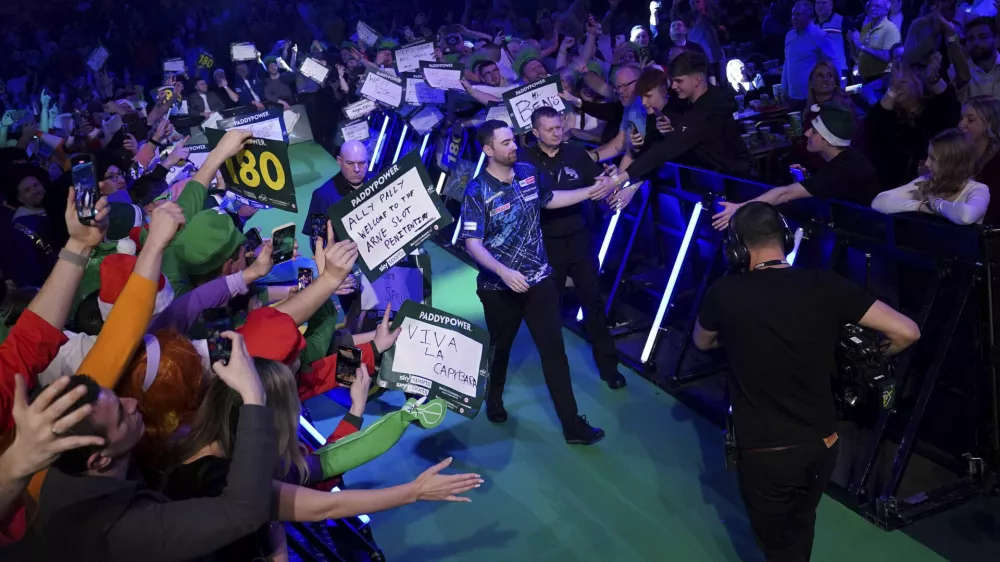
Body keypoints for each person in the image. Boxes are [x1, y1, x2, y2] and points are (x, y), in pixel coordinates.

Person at [693, 202, 920, 562]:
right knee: (802, 521)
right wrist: (854, 360)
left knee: (776, 543)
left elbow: (701, 342)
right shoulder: (825, 285)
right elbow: (907, 331)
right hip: (822, 441)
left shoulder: (723, 293)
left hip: (763, 451)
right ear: (785, 239)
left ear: (737, 248)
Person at [5, 333, 278, 561]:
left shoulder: (66, 455)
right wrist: (254, 397)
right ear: (99, 461)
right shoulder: (121, 533)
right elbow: (243, 512)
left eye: (118, 398)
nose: (132, 403)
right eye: (121, 417)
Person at [458, 120, 611, 444]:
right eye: (505, 143)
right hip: (499, 288)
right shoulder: (477, 191)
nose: (513, 147)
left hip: (540, 280)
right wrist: (503, 272)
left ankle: (572, 425)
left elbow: (549, 199)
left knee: (554, 351)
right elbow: (473, 243)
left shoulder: (528, 171)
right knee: (501, 349)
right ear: (488, 150)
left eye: (513, 141)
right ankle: (494, 399)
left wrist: (590, 192)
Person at [518, 107, 627, 390]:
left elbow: (600, 186)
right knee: (548, 309)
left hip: (580, 239)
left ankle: (609, 368)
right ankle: (556, 373)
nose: (558, 133)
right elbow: (544, 200)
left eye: (559, 127)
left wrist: (610, 183)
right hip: (546, 242)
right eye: (550, 129)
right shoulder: (525, 160)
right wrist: (594, 191)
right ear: (535, 132)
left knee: (593, 302)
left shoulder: (577, 153)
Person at [599, 51, 751, 203]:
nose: (674, 86)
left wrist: (621, 178)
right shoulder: (694, 103)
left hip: (736, 184)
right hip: (717, 183)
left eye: (679, 81)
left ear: (696, 80)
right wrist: (672, 130)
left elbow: (666, 150)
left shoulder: (707, 110)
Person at [712, 102, 881, 229]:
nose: (807, 133)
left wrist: (740, 208)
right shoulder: (848, 158)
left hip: (866, 239)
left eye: (814, 131)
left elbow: (784, 195)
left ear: (828, 139)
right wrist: (807, 180)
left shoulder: (842, 169)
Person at [872, 127, 990, 224]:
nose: (927, 163)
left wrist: (934, 203)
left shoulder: (978, 190)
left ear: (953, 163)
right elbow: (879, 202)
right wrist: (921, 206)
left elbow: (966, 216)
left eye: (933, 158)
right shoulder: (925, 181)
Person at [781, 1, 839, 110]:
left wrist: (838, 89)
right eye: (793, 14)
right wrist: (783, 87)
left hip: (813, 95)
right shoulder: (790, 36)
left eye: (798, 14)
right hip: (793, 96)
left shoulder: (819, 35)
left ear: (809, 15)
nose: (794, 18)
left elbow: (834, 62)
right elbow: (787, 62)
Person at [958, 95, 1000, 224]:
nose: (961, 124)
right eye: (961, 118)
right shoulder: (960, 155)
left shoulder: (997, 163)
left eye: (970, 120)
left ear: (989, 124)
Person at [850, 0, 901, 84]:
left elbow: (887, 56)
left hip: (882, 78)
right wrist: (852, 41)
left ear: (886, 10)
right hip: (864, 77)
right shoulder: (866, 28)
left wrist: (862, 47)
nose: (873, 9)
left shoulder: (891, 29)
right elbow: (857, 55)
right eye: (871, 6)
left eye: (877, 6)